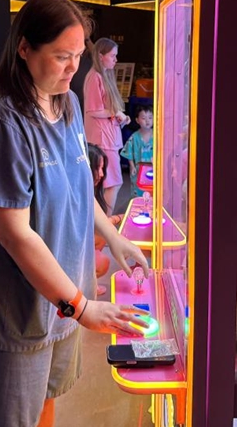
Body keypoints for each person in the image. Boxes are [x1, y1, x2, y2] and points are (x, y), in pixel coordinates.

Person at [0, 0, 150, 427]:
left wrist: (115, 238)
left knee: (45, 403)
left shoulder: (66, 104)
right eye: (61, 56)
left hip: (61, 296)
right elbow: (14, 233)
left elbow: (80, 186)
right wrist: (82, 307)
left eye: (79, 56)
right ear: (24, 48)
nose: (73, 68)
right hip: (15, 308)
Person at [83, 37, 129, 215]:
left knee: (106, 183)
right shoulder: (95, 77)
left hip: (107, 137)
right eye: (113, 56)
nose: (116, 60)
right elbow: (93, 110)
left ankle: (102, 225)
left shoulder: (101, 76)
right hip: (103, 139)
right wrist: (115, 113)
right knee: (114, 182)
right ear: (101, 56)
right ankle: (105, 225)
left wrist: (118, 116)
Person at [87, 143, 124, 297]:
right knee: (103, 261)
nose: (102, 174)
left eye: (103, 169)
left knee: (103, 237)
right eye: (98, 168)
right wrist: (117, 218)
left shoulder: (93, 192)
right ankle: (85, 282)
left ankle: (88, 280)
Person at [120, 104, 154, 199]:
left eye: (150, 118)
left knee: (153, 191)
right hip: (139, 170)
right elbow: (129, 152)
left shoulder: (158, 136)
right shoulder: (134, 137)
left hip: (154, 169)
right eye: (143, 118)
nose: (147, 121)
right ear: (137, 120)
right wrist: (132, 166)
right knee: (138, 192)